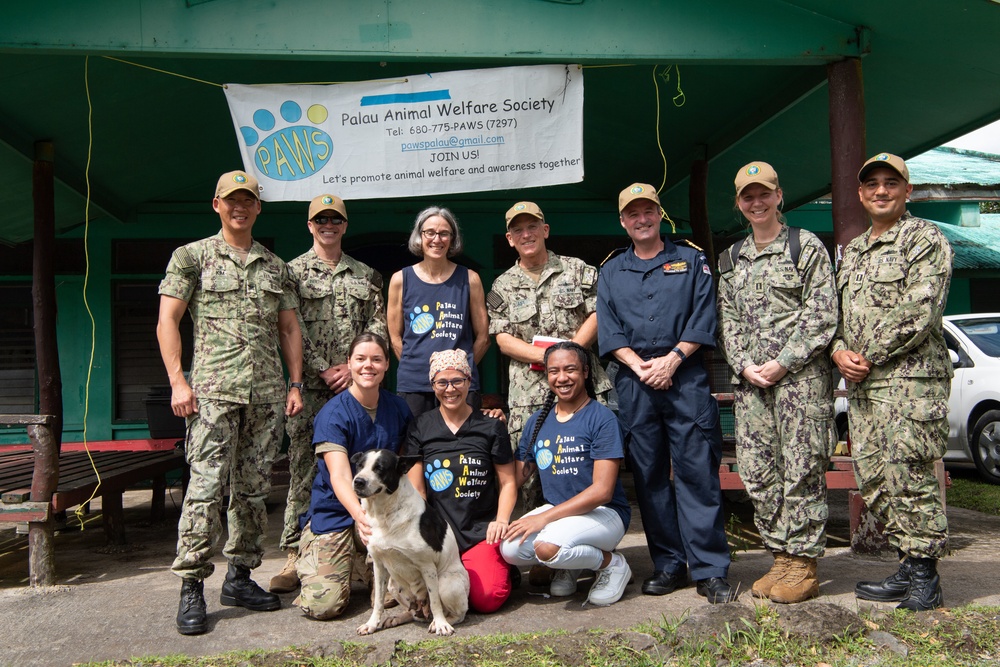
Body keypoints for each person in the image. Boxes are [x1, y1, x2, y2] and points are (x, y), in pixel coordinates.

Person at [157, 170, 304, 635]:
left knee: (254, 491)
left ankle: (240, 576)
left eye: (248, 200)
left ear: (258, 207)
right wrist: (178, 383)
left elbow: (287, 329)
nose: (240, 207)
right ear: (216, 204)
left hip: (264, 395)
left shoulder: (274, 266)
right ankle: (192, 586)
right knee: (205, 489)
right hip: (213, 395)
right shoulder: (193, 257)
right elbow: (168, 321)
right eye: (231, 200)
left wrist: (295, 383)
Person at [596, 183, 736, 604]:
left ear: (660, 215)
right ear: (623, 221)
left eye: (648, 211)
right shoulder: (611, 270)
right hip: (635, 383)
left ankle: (710, 569)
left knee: (697, 474)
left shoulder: (690, 259)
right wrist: (639, 366)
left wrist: (672, 360)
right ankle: (669, 564)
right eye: (633, 214)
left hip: (685, 378)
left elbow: (704, 315)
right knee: (650, 476)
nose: (642, 219)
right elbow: (608, 327)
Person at [832, 152, 954, 611]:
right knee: (874, 478)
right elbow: (837, 318)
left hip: (911, 383)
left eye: (890, 183)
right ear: (861, 194)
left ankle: (925, 575)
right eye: (872, 184)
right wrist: (838, 350)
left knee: (909, 475)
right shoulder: (855, 250)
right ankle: (908, 563)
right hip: (864, 387)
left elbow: (922, 308)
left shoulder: (924, 239)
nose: (880, 190)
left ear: (907, 191)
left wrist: (865, 354)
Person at [716, 162, 838, 603]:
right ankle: (781, 556)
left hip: (800, 383)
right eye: (748, 196)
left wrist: (783, 362)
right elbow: (727, 319)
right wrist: (745, 365)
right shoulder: (730, 258)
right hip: (752, 386)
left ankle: (802, 564)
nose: (756, 202)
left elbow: (822, 313)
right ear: (739, 203)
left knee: (802, 468)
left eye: (763, 193)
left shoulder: (804, 247)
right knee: (759, 471)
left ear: (779, 195)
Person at [271, 194, 387, 594]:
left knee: (360, 467)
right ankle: (294, 551)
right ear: (309, 225)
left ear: (344, 225)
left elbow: (378, 327)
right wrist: (324, 366)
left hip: (359, 388)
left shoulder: (367, 275)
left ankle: (353, 551)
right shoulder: (291, 273)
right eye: (320, 219)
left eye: (335, 219)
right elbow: (290, 325)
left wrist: (357, 369)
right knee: (304, 467)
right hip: (314, 388)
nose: (328, 225)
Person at [487, 201, 612, 509]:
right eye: (518, 230)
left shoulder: (577, 270)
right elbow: (502, 338)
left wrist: (567, 357)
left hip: (580, 386)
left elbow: (597, 314)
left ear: (545, 230)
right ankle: (539, 543)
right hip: (528, 394)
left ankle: (589, 546)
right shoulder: (503, 285)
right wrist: (547, 359)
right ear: (509, 239)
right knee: (529, 472)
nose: (526, 235)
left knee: (582, 463)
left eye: (532, 227)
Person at [500, 342, 633, 606]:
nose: (562, 378)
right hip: (562, 514)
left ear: (585, 372)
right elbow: (515, 478)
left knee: (548, 546)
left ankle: (612, 564)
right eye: (554, 371)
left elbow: (602, 491)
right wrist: (491, 429)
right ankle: (569, 562)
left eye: (570, 369)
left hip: (605, 513)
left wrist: (543, 519)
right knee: (510, 548)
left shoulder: (601, 418)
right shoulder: (538, 420)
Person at [293, 333, 413, 620]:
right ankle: (318, 552)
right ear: (349, 363)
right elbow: (340, 476)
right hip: (338, 510)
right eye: (360, 359)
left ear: (386, 365)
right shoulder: (333, 414)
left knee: (400, 596)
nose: (367, 366)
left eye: (376, 359)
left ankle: (364, 562)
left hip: (382, 513)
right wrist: (360, 518)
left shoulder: (398, 408)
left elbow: (407, 466)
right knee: (323, 606)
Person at [404, 349, 517, 613]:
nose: (450, 389)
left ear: (469, 381)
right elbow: (416, 489)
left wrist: (501, 521)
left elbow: (508, 483)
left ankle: (498, 566)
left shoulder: (490, 426)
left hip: (479, 532)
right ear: (433, 386)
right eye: (442, 382)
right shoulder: (421, 426)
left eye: (457, 381)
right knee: (425, 602)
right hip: (439, 535)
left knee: (487, 598)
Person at [387, 207, 490, 417]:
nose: (437, 239)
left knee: (463, 445)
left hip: (460, 386)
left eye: (444, 233)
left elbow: (483, 338)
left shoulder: (470, 279)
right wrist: (416, 367)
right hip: (415, 384)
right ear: (420, 236)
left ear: (452, 239)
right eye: (430, 232)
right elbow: (395, 337)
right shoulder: (400, 279)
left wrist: (459, 369)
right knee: (416, 445)